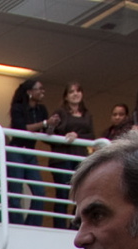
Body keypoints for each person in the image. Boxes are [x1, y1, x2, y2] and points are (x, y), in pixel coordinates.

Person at [46, 82, 96, 226]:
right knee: (63, 193)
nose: (75, 94)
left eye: (78, 91)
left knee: (80, 193)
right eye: (71, 92)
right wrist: (61, 132)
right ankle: (59, 226)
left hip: (80, 158)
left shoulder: (87, 114)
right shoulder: (60, 112)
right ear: (66, 97)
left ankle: (73, 227)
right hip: (62, 158)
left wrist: (77, 135)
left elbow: (91, 135)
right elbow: (49, 133)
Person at [8, 77, 53, 226]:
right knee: (16, 193)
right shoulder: (17, 108)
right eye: (39, 89)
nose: (42, 91)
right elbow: (23, 128)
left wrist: (52, 125)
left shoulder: (42, 109)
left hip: (30, 152)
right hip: (16, 151)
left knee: (39, 191)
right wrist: (45, 123)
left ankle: (32, 225)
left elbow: (46, 133)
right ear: (29, 92)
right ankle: (17, 225)